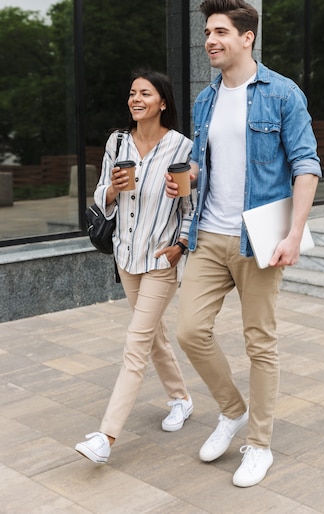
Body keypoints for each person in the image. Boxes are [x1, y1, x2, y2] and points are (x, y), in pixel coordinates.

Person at [165, 0, 321, 487]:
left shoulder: (282, 93)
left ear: (246, 37)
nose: (209, 41)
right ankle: (231, 411)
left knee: (261, 344)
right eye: (207, 32)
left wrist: (294, 234)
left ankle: (259, 444)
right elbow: (205, 162)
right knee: (190, 331)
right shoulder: (206, 98)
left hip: (261, 234)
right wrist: (187, 173)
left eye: (220, 33)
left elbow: (306, 165)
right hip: (209, 233)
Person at [75, 69, 194, 464]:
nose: (136, 99)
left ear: (163, 102)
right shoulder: (117, 141)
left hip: (160, 260)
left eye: (145, 93)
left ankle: (105, 437)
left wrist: (180, 245)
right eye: (132, 93)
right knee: (153, 335)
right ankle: (181, 398)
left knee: (136, 343)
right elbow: (100, 194)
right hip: (126, 256)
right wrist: (111, 189)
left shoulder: (181, 148)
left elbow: (192, 207)